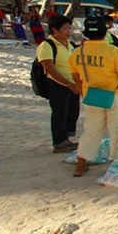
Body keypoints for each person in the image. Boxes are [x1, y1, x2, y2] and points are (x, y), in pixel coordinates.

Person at [69, 16, 118, 177]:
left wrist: (83, 93)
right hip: (116, 96)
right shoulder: (112, 51)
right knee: (116, 131)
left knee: (91, 131)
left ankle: (81, 165)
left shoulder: (77, 52)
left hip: (92, 96)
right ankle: (116, 165)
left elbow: (76, 77)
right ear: (105, 32)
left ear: (86, 34)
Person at [37, 15, 80, 153]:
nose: (69, 31)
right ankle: (59, 142)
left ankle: (66, 139)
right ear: (55, 30)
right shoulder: (47, 45)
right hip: (57, 84)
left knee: (72, 112)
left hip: (72, 83)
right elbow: (49, 68)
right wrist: (67, 83)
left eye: (70, 28)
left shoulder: (70, 45)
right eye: (66, 28)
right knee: (59, 113)